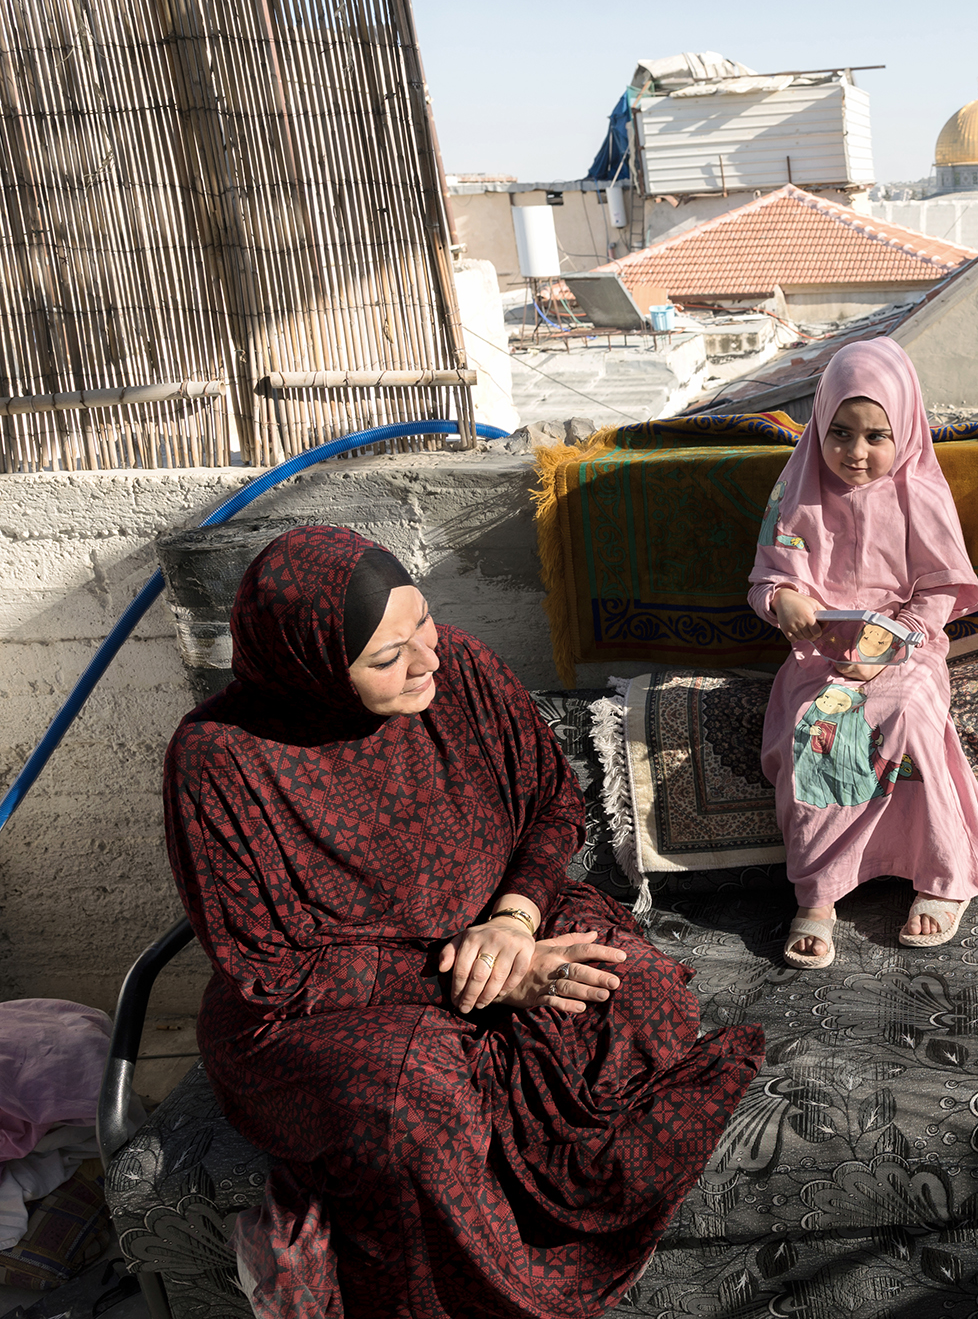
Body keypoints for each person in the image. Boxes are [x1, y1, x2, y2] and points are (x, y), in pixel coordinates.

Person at [162, 525, 763, 1318]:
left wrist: (514, 922)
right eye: (388, 658)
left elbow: (551, 801)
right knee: (412, 1101)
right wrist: (485, 975)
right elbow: (276, 968)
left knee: (640, 995)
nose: (427, 662)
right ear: (309, 666)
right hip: (326, 1008)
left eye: (425, 627)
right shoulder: (220, 759)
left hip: (508, 932)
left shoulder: (464, 671)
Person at [747, 337, 978, 969]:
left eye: (875, 436)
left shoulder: (921, 492)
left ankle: (940, 874)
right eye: (839, 433)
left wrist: (893, 645)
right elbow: (766, 580)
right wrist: (784, 603)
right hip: (820, 657)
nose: (855, 454)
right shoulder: (796, 491)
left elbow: (944, 588)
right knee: (818, 729)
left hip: (907, 646)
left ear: (906, 429)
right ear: (819, 421)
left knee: (909, 714)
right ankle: (818, 891)